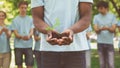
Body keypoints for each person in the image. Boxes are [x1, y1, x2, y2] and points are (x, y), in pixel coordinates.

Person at [31, 0, 93, 68]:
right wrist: (48, 31)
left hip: (76, 49)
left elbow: (86, 18)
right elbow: (37, 19)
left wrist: (72, 30)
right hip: (48, 50)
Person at [93, 1, 117, 68]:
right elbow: (96, 30)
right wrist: (100, 29)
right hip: (100, 43)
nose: (99, 10)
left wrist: (107, 28)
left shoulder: (112, 16)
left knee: (111, 64)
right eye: (98, 8)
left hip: (109, 43)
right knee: (102, 64)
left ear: (106, 8)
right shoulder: (96, 17)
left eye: (101, 8)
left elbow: (113, 30)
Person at [11, 1, 34, 68]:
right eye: (22, 8)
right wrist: (22, 37)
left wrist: (29, 36)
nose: (23, 9)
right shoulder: (15, 20)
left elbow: (31, 31)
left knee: (30, 65)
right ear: (19, 8)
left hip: (28, 45)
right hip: (18, 46)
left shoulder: (30, 19)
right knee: (19, 65)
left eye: (25, 8)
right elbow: (15, 33)